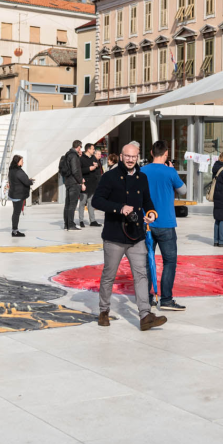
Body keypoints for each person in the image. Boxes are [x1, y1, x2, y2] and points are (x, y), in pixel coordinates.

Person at [91, 141, 167, 331]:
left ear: (138, 156)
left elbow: (147, 200)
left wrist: (151, 212)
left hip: (136, 235)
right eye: (127, 156)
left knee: (141, 274)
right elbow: (96, 201)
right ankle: (103, 311)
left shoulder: (142, 177)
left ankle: (145, 315)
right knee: (109, 275)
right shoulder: (109, 177)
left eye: (134, 156)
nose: (131, 159)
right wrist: (119, 208)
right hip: (114, 236)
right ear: (122, 156)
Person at [140, 140, 187, 311]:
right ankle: (166, 299)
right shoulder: (170, 172)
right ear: (166, 153)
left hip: (146, 222)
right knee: (169, 261)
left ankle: (146, 297)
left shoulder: (142, 171)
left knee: (146, 262)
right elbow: (183, 190)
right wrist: (171, 172)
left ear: (151, 153)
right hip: (166, 223)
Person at [60, 140, 85, 231]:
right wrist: (80, 182)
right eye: (81, 147)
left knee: (67, 204)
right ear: (78, 147)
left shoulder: (68, 154)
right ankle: (70, 224)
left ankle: (66, 224)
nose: (81, 149)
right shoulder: (74, 156)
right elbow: (75, 170)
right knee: (72, 205)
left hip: (68, 181)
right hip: (74, 183)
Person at [7, 155, 33, 237]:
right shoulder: (18, 172)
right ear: (17, 162)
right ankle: (15, 231)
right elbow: (26, 181)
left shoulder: (11, 170)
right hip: (18, 195)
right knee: (16, 213)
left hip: (14, 194)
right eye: (21, 161)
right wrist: (30, 181)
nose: (23, 162)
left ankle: (14, 230)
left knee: (15, 212)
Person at [78, 143, 103, 228]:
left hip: (93, 184)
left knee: (91, 203)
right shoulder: (81, 159)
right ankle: (81, 220)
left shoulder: (93, 158)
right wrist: (89, 169)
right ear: (88, 149)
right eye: (93, 149)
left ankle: (92, 220)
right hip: (85, 184)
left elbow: (97, 171)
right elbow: (79, 171)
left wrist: (96, 167)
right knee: (82, 202)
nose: (94, 151)